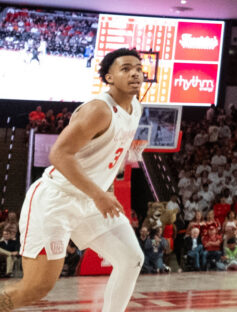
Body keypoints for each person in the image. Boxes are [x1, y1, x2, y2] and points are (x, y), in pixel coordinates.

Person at [1, 48, 145, 312]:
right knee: (35, 288)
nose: (135, 73)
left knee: (131, 259)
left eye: (138, 68)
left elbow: (108, 155)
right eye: (125, 69)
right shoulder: (99, 110)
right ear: (109, 77)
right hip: (56, 200)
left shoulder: (135, 107)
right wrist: (99, 194)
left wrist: (107, 187)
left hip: (89, 200)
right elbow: (59, 154)